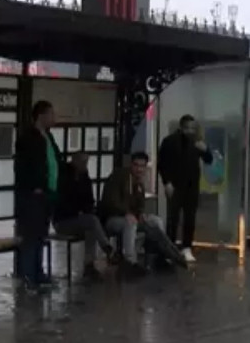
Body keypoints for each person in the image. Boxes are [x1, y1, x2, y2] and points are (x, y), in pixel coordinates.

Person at [101, 152, 189, 274]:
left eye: (142, 166)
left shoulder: (139, 184)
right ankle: (130, 262)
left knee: (155, 221)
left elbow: (140, 206)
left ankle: (160, 255)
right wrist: (126, 213)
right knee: (130, 223)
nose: (139, 169)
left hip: (130, 217)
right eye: (136, 165)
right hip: (113, 218)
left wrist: (140, 214)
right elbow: (111, 201)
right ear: (131, 165)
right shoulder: (119, 177)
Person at [14, 100, 59, 291]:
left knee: (41, 235)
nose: (54, 118)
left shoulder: (48, 136)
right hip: (33, 196)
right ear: (41, 115)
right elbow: (22, 167)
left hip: (47, 194)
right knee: (31, 236)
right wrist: (34, 186)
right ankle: (28, 277)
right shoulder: (28, 138)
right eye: (51, 114)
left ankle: (38, 272)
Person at [157, 115, 213, 263]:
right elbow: (162, 163)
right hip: (175, 185)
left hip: (192, 186)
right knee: (173, 218)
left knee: (190, 218)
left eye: (192, 128)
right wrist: (166, 182)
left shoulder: (197, 142)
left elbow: (209, 159)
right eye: (187, 128)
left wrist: (206, 149)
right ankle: (171, 249)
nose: (189, 131)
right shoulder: (169, 141)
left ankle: (187, 247)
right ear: (181, 127)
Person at [53, 152, 116, 280]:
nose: (85, 165)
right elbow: (63, 204)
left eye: (86, 163)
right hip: (63, 221)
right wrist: (80, 211)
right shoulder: (63, 178)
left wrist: (87, 210)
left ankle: (89, 266)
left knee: (91, 226)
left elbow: (88, 201)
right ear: (74, 162)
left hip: (79, 219)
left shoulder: (85, 179)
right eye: (82, 162)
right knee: (91, 221)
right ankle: (107, 248)